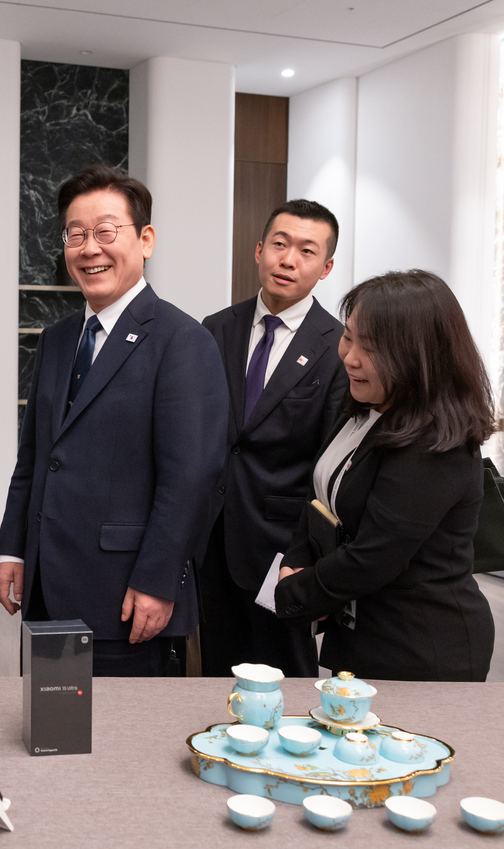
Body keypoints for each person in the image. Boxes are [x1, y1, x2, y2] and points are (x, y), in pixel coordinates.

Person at [0, 164, 229, 677]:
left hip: (125, 595)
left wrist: (158, 579)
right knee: (46, 731)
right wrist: (11, 547)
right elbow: (35, 456)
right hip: (46, 585)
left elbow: (191, 478)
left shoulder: (182, 341)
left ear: (145, 240)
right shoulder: (57, 340)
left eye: (105, 232)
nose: (89, 248)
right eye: (76, 235)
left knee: (120, 742)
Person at [274, 270, 497, 681]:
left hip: (419, 646)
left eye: (371, 348)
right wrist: (296, 560)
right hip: (362, 633)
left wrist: (291, 592)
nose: (350, 357)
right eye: (349, 337)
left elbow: (374, 557)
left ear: (418, 355)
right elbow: (322, 498)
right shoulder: (367, 403)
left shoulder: (434, 443)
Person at [198, 200, 348, 678]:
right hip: (210, 540)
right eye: (279, 245)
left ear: (325, 269)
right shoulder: (215, 329)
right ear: (259, 250)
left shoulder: (338, 347)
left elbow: (329, 467)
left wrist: (308, 557)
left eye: (306, 251)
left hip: (282, 548)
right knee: (214, 676)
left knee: (284, 680)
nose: (288, 260)